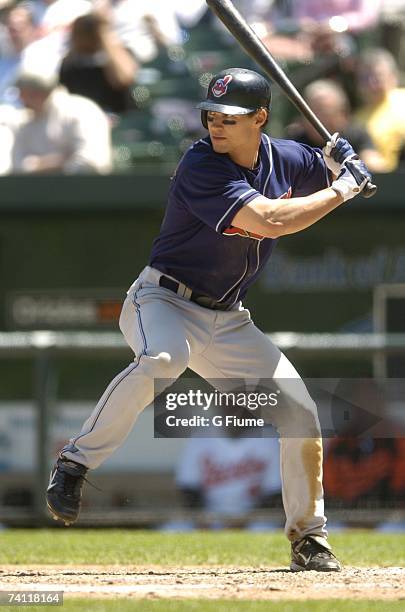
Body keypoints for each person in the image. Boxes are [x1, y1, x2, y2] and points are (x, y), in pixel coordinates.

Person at [46, 67, 372, 572]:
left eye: (231, 118)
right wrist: (342, 189)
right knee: (163, 358)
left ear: (260, 119)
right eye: (211, 115)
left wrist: (344, 161)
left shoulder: (285, 158)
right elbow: (271, 221)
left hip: (229, 320)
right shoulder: (203, 165)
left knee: (299, 413)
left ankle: (309, 538)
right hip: (163, 300)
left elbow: (336, 167)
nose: (217, 125)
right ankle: (75, 462)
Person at [11, 68, 112, 174]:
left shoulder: (82, 110)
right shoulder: (23, 121)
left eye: (28, 92)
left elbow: (91, 162)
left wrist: (45, 165)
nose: (21, 98)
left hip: (85, 188)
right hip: (36, 189)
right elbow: (19, 168)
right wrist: (58, 160)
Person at [288, 79, 386, 173]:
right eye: (311, 112)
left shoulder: (356, 135)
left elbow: (373, 162)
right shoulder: (295, 142)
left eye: (324, 112)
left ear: (342, 114)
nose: (317, 118)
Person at [59, 13, 138, 114]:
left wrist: (105, 39)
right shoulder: (70, 65)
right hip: (88, 118)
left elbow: (124, 79)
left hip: (122, 115)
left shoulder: (120, 54)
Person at [356, 48, 405, 172]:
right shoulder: (356, 119)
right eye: (365, 78)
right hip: (378, 182)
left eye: (377, 77)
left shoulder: (401, 101)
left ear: (392, 76)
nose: (372, 84)